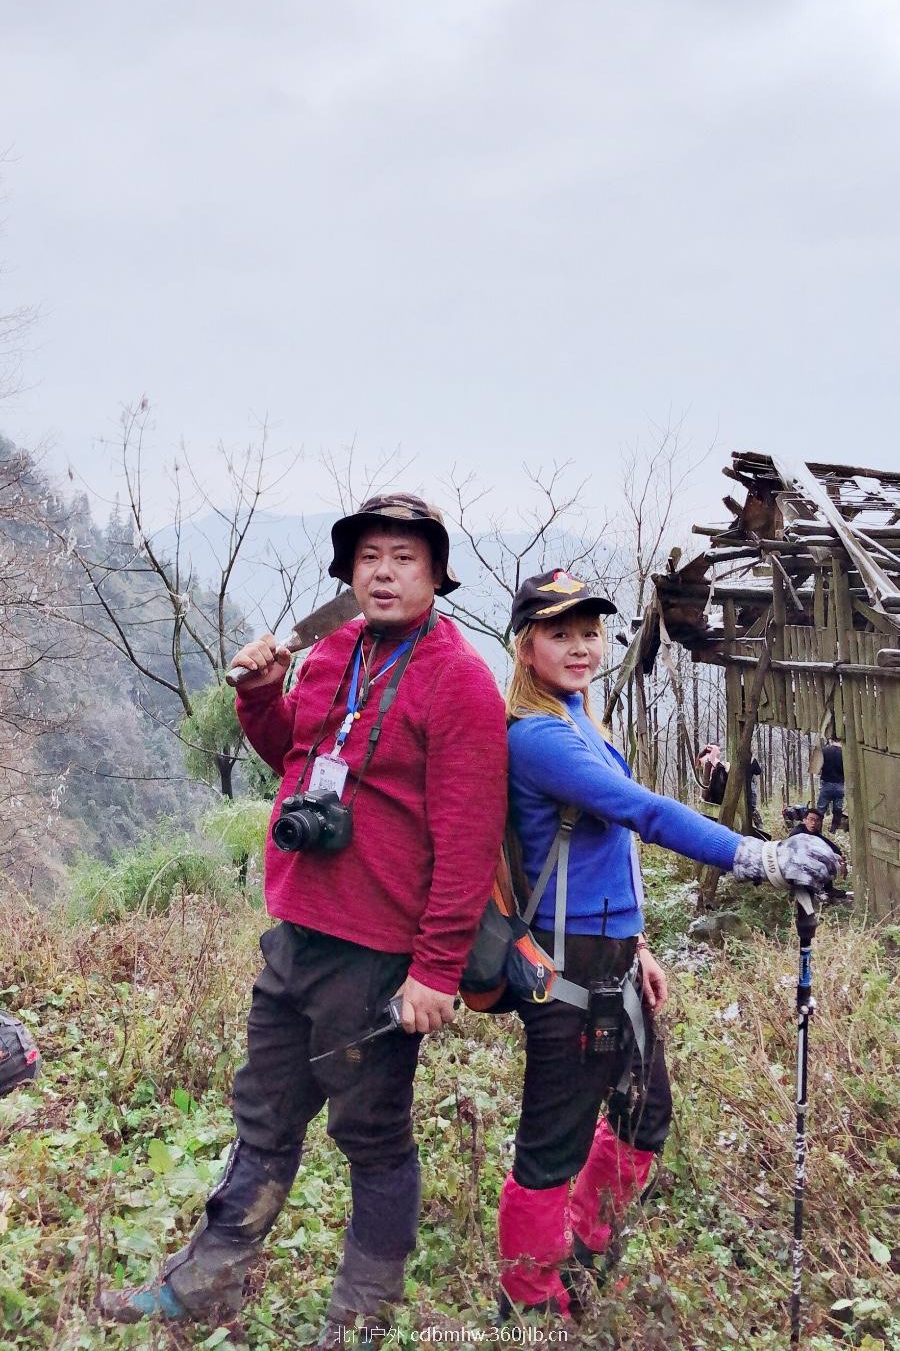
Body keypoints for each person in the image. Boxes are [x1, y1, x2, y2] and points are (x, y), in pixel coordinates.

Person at [101, 494, 508, 1341]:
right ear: (348, 572)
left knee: (373, 1137)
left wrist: (435, 970)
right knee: (264, 1114)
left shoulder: (459, 679)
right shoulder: (332, 649)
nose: (384, 573)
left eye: (404, 557)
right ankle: (202, 1285)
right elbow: (293, 753)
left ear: (436, 574)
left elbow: (469, 841)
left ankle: (360, 1319)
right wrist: (260, 695)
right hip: (297, 931)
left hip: (377, 952)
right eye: (369, 557)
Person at [497, 569, 842, 1319]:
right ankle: (529, 1302)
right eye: (560, 634)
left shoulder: (580, 719)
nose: (581, 647)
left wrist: (640, 945)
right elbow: (643, 812)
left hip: (612, 955)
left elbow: (604, 855)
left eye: (590, 632)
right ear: (526, 647)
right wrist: (758, 856)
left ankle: (585, 1255)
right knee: (551, 1141)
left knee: (645, 1116)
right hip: (565, 964)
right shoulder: (537, 737)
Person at [816, 737, 847, 832]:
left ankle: (818, 831)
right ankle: (833, 830)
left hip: (826, 784)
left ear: (831, 740)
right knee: (838, 809)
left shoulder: (824, 751)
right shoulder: (845, 753)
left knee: (820, 809)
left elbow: (817, 769)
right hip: (840, 785)